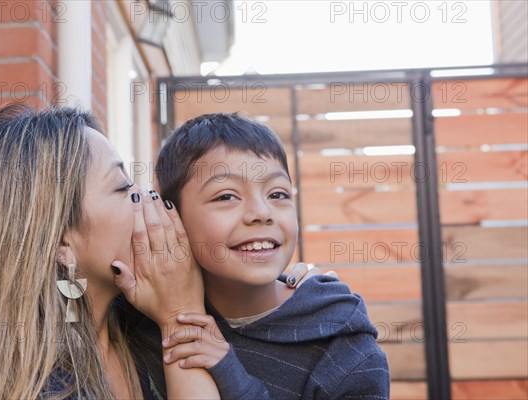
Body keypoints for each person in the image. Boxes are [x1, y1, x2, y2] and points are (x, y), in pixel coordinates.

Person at [0, 104, 221, 399]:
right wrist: (181, 316)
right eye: (123, 188)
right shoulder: (42, 389)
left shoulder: (141, 332)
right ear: (60, 245)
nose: (148, 198)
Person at [149, 112, 390, 398]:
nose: (262, 213)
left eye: (277, 194)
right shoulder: (147, 320)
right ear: (171, 216)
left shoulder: (345, 350)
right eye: (226, 196)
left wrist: (230, 374)